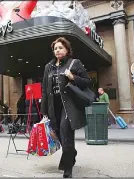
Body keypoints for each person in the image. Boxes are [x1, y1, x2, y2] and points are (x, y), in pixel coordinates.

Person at [41, 37, 91, 178]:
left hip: (69, 106)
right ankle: (71, 153)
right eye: (55, 48)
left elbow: (87, 82)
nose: (58, 50)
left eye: (60, 48)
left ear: (67, 49)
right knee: (59, 134)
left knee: (65, 131)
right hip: (53, 106)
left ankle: (67, 168)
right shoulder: (48, 67)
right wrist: (44, 110)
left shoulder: (74, 63)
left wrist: (73, 77)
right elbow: (44, 90)